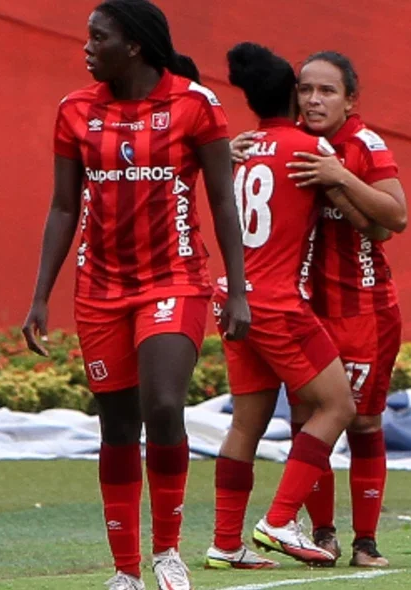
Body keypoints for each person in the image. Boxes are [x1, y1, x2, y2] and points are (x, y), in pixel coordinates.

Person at [20, 2, 251, 589]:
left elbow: (224, 203)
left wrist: (239, 290)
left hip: (175, 278)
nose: (87, 47)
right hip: (99, 290)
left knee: (165, 405)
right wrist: (40, 295)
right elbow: (63, 206)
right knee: (117, 427)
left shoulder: (196, 105)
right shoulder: (74, 111)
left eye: (98, 37)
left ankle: (167, 552)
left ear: (136, 45)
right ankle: (126, 573)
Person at [206, 41, 374, 571]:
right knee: (339, 406)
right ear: (291, 96)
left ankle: (224, 542)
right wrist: (344, 182)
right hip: (280, 302)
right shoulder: (308, 149)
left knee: (245, 424)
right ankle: (279, 519)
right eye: (306, 89)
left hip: (233, 299)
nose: (313, 98)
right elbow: (376, 225)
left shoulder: (237, 148)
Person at [285, 50, 410, 568]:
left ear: (350, 99)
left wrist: (338, 176)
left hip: (363, 309)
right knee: (308, 419)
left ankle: (366, 541)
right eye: (306, 89)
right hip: (300, 308)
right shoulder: (289, 142)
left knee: (361, 423)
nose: (313, 99)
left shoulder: (365, 145)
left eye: (327, 91)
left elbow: (394, 217)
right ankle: (322, 533)